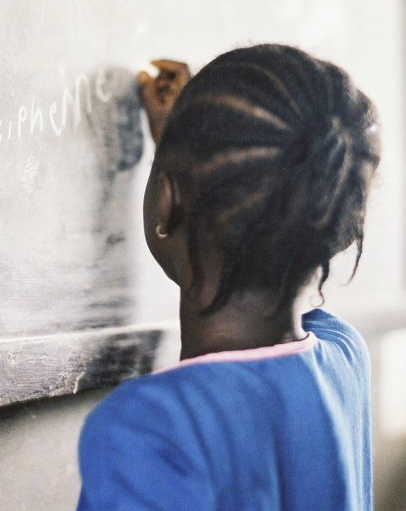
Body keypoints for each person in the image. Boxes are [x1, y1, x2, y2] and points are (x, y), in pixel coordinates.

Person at [76, 44, 382, 511]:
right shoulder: (344, 357)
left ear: (167, 202)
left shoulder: (147, 430)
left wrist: (197, 165)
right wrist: (189, 170)